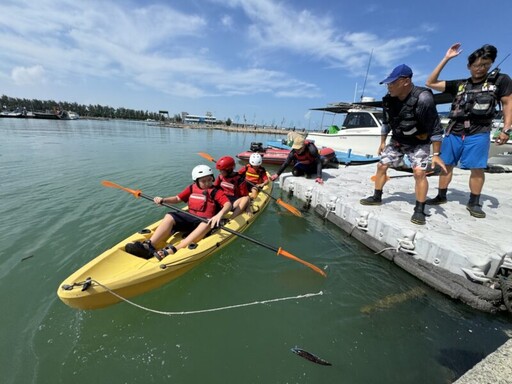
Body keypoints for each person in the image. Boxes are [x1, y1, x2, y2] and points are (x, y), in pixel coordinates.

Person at [425, 43, 512, 218]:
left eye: (485, 65)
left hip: (479, 131)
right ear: (469, 66)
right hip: (453, 130)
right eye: (476, 65)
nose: (480, 69)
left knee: (477, 168)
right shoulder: (460, 84)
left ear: (490, 64)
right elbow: (430, 82)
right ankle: (441, 195)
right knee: (445, 165)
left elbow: (508, 104)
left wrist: (506, 129)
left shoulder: (501, 80)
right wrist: (447, 58)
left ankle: (474, 202)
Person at [360, 64, 446, 225]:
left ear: (405, 81)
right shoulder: (389, 100)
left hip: (419, 142)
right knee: (381, 166)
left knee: (419, 173)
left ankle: (419, 209)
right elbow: (386, 123)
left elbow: (436, 129)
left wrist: (436, 155)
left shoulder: (423, 99)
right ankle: (376, 197)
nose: (389, 87)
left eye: (392, 83)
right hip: (398, 140)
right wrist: (382, 142)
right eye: (388, 84)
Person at [125, 165, 232, 260]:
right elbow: (177, 198)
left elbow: (228, 204)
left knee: (206, 222)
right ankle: (149, 245)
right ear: (196, 181)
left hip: (205, 223)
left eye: (209, 180)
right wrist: (163, 200)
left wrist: (219, 215)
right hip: (191, 218)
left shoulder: (216, 192)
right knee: (170, 216)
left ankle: (175, 249)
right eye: (203, 181)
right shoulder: (191, 188)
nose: (207, 183)